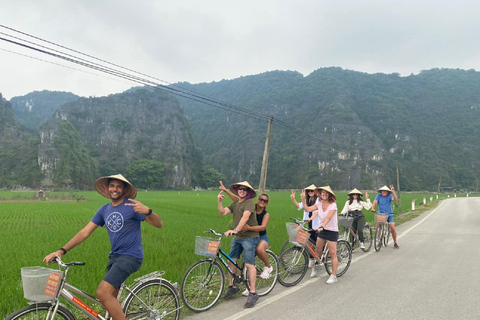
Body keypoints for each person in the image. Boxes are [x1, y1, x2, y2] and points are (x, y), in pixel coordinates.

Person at [43, 174, 163, 320]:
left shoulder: (132, 206)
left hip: (131, 257)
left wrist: (148, 211)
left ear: (124, 190)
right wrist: (61, 250)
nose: (115, 189)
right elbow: (84, 232)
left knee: (102, 292)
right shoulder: (104, 210)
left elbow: (158, 224)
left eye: (119, 186)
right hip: (114, 258)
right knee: (108, 302)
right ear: (107, 189)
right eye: (112, 186)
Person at [218, 181, 260, 308]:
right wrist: (219, 201)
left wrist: (235, 230)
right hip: (238, 237)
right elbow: (222, 212)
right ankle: (232, 286)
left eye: (245, 189)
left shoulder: (249, 203)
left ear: (248, 193)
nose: (242, 191)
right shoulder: (235, 203)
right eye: (240, 189)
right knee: (231, 261)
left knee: (249, 264)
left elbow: (245, 217)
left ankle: (253, 293)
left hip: (249, 237)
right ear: (236, 190)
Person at [301, 186, 339, 284]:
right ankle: (317, 266)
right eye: (322, 193)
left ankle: (334, 275)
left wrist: (322, 226)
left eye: (326, 193)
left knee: (332, 253)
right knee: (317, 252)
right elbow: (308, 209)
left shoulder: (333, 205)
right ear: (320, 194)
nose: (324, 194)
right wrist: (303, 199)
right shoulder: (319, 203)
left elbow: (328, 218)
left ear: (329, 195)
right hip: (322, 230)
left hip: (331, 231)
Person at [240, 192, 273, 296]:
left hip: (262, 237)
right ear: (258, 199)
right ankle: (249, 287)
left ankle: (268, 267)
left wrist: (249, 228)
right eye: (261, 199)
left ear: (267, 203)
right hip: (252, 237)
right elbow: (238, 201)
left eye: (265, 201)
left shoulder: (266, 214)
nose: (262, 202)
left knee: (259, 250)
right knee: (249, 262)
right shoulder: (251, 208)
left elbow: (263, 227)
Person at [290, 184, 319, 267]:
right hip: (309, 223)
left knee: (317, 243)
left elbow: (316, 211)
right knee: (309, 242)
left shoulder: (318, 201)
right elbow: (299, 206)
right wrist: (293, 199)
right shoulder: (307, 200)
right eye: (308, 191)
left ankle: (318, 259)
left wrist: (311, 218)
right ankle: (311, 259)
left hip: (317, 223)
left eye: (312, 191)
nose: (310, 192)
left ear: (316, 192)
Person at [371, 184, 399, 249]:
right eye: (383, 191)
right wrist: (373, 208)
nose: (384, 192)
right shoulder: (378, 196)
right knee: (378, 227)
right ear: (381, 191)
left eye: (386, 191)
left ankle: (395, 242)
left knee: (392, 228)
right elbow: (375, 202)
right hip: (381, 214)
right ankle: (379, 241)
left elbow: (395, 199)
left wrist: (393, 192)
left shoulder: (389, 197)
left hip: (389, 214)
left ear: (388, 192)